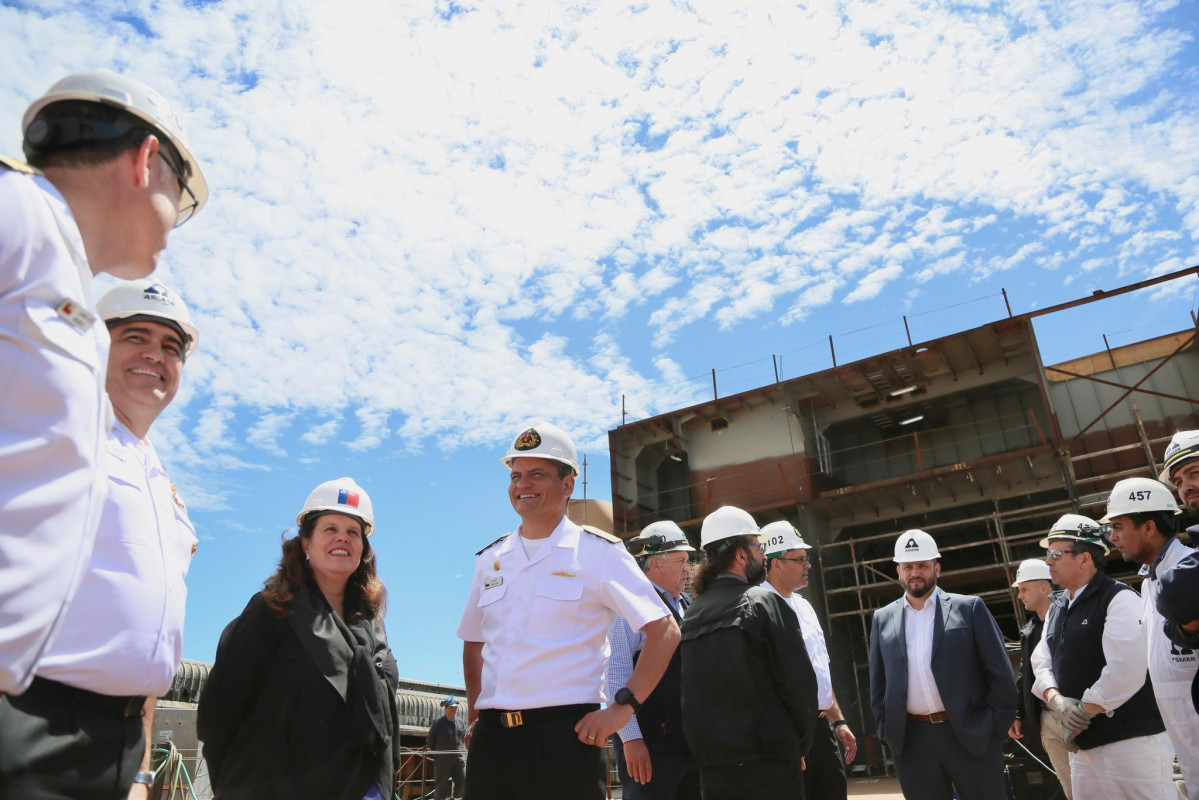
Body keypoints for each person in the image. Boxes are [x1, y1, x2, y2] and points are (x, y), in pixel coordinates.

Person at [0, 69, 207, 697]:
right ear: (147, 161)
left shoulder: (65, 295)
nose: (176, 224)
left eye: (171, 346)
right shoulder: (17, 216)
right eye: (183, 194)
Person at [0, 281, 199, 799]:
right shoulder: (50, 431)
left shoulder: (163, 486)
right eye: (137, 336)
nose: (155, 355)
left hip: (122, 740)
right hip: (33, 719)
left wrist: (139, 771)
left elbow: (149, 641)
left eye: (171, 348)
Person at [456, 422, 680, 800]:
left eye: (537, 474)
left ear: (567, 484)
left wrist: (621, 710)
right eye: (516, 476)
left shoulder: (599, 552)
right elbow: (474, 642)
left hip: (566, 737)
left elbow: (665, 630)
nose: (522, 484)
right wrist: (477, 715)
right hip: (493, 742)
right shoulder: (490, 559)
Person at [197, 478, 399, 800]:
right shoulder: (271, 612)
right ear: (305, 542)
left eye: (353, 532)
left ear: (363, 548)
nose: (342, 539)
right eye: (330, 528)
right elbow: (219, 715)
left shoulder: (372, 626)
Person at [679, 506, 819, 799]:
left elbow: (690, 698)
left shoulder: (692, 614)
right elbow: (799, 686)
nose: (763, 555)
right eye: (758, 546)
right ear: (741, 555)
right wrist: (798, 745)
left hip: (715, 770)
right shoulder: (764, 603)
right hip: (770, 763)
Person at [1030, 514, 1174, 799]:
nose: (1049, 562)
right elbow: (1041, 659)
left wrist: (1082, 710)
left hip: (1131, 743)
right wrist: (1055, 700)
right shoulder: (1058, 607)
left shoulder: (1119, 599)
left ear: (1085, 559)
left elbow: (1126, 670)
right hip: (1083, 748)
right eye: (1048, 555)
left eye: (1056, 554)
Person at [868, 529, 1015, 800]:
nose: (915, 572)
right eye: (908, 566)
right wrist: (888, 731)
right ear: (898, 571)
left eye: (923, 565)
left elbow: (1000, 674)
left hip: (970, 735)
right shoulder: (882, 618)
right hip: (913, 741)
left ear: (937, 568)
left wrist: (993, 729)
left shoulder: (969, 609)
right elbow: (878, 684)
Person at [1100, 476, 1197, 790]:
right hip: (1180, 727)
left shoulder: (1188, 574)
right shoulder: (1149, 581)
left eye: (1118, 527)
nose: (1113, 537)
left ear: (1149, 527)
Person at [760, 520, 857, 800]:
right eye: (800, 559)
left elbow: (819, 672)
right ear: (776, 563)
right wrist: (788, 740)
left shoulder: (804, 605)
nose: (808, 565)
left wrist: (838, 721)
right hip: (787, 731)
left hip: (820, 728)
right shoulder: (758, 608)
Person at [606, 521, 699, 800]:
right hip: (651, 748)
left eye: (688, 560)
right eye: (681, 560)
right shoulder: (630, 609)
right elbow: (615, 675)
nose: (688, 568)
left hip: (689, 745)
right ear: (656, 565)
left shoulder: (688, 605)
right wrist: (632, 739)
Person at [1007, 556, 1072, 798]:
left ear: (1044, 587)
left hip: (1078, 714)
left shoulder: (1071, 618)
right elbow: (1025, 675)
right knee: (1070, 787)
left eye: (1024, 589)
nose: (1020, 596)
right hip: (1047, 717)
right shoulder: (1031, 631)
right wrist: (1019, 713)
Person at [427, 697, 467, 800]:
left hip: (458, 758)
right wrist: (437, 753)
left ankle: (456, 798)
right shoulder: (438, 723)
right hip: (442, 759)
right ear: (445, 708)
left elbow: (463, 739)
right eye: (451, 707)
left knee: (462, 780)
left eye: (455, 707)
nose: (453, 709)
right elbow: (430, 740)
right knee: (441, 787)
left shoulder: (461, 723)